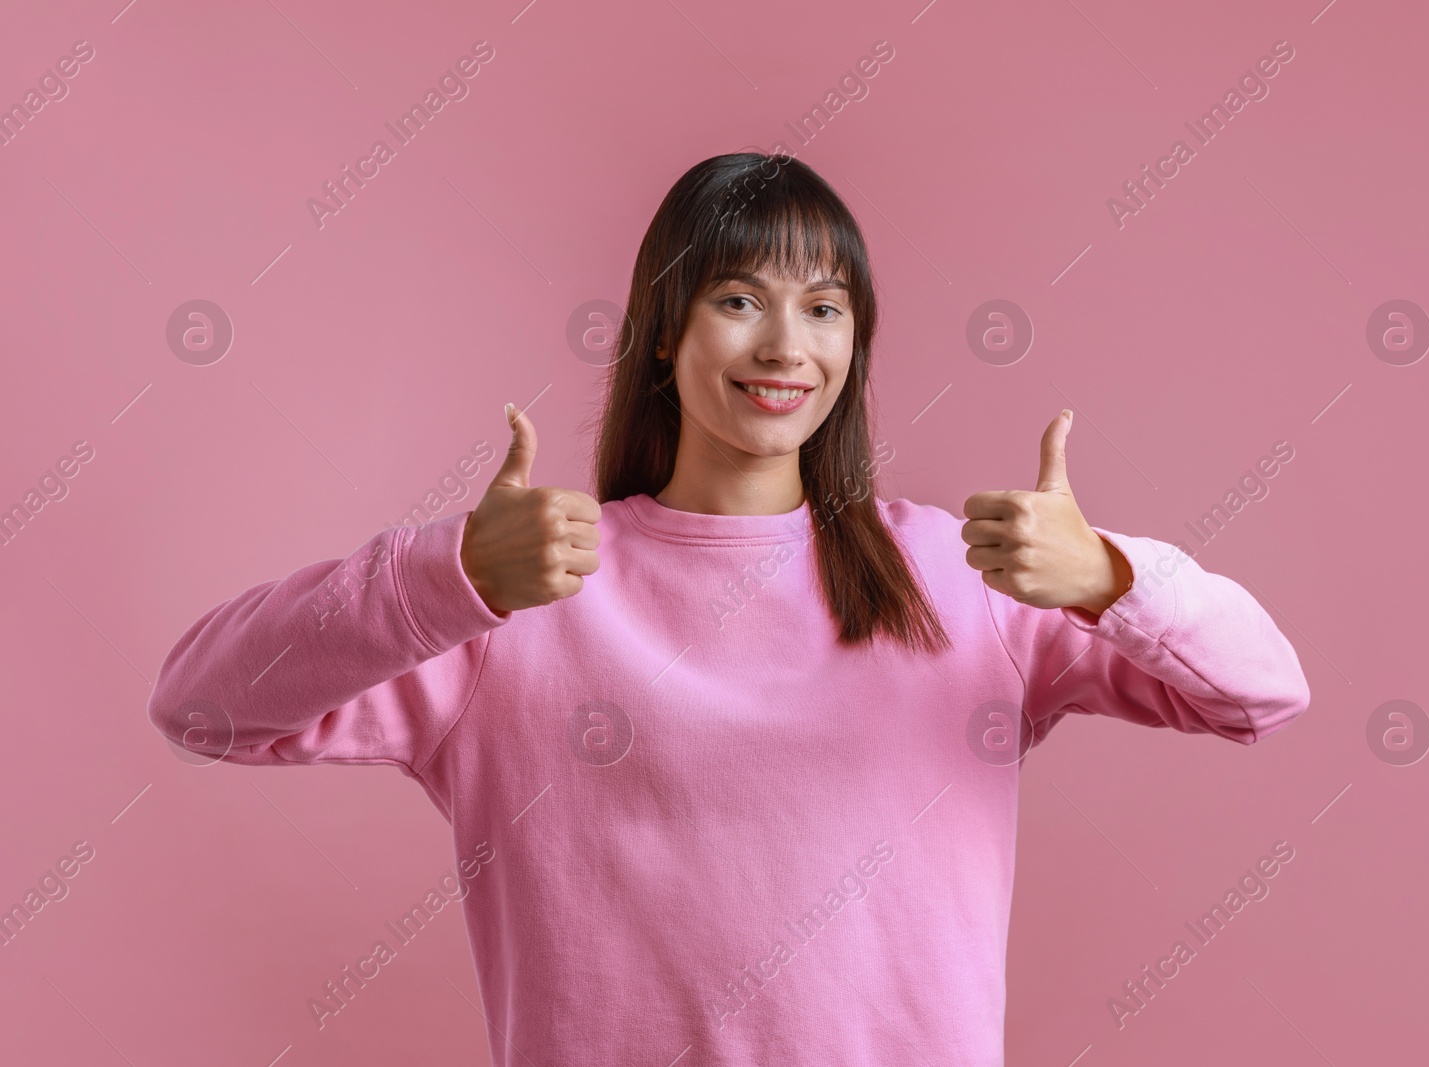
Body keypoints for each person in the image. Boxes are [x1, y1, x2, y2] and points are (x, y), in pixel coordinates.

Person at [148, 151, 1310, 1065]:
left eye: (825, 308)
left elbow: (1264, 690)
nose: (784, 346)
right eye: (739, 298)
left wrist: (1111, 576)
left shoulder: (963, 578)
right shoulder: (527, 590)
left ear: (855, 343)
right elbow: (201, 704)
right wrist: (438, 576)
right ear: (665, 333)